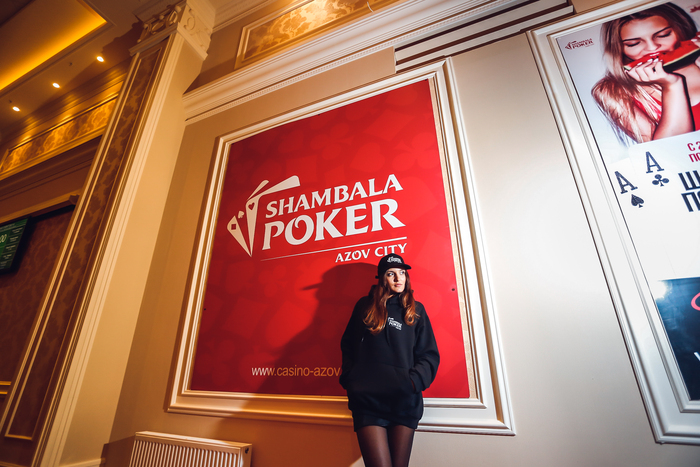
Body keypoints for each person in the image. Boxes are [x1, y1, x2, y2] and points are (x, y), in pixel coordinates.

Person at [339, 253, 439, 467]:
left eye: (402, 273)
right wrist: (352, 379)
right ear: (382, 278)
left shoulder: (416, 310)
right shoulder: (364, 306)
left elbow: (429, 355)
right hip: (368, 403)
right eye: (391, 273)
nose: (398, 278)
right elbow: (348, 345)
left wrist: (411, 383)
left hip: (404, 402)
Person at [592, 3, 700, 143]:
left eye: (663, 35)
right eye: (633, 43)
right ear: (618, 48)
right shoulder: (612, 91)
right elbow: (666, 149)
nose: (653, 47)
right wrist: (672, 86)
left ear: (681, 29)